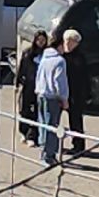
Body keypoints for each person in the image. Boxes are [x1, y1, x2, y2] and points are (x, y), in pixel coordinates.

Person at [35, 35, 70, 166]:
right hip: (52, 98)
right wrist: (64, 99)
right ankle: (49, 155)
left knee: (43, 124)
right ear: (59, 45)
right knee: (52, 126)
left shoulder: (44, 58)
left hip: (41, 94)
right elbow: (59, 82)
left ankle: (43, 152)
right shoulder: (60, 61)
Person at [15, 30, 50, 146]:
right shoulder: (28, 53)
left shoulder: (47, 54)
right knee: (24, 110)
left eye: (43, 40)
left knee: (36, 112)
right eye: (39, 40)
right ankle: (23, 132)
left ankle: (32, 136)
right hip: (28, 86)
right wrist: (17, 83)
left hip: (40, 87)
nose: (41, 42)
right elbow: (21, 69)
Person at [61, 28, 89, 153]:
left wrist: (85, 94)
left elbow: (83, 77)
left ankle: (78, 146)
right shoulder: (61, 55)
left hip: (75, 94)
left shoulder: (79, 57)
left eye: (71, 41)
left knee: (76, 120)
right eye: (66, 40)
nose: (67, 43)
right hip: (61, 92)